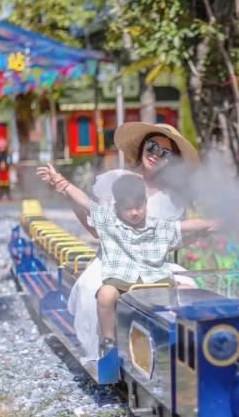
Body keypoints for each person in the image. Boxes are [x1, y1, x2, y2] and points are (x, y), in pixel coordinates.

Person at [51, 122, 200, 361]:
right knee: (96, 291)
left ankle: (178, 348)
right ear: (142, 147)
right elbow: (96, 229)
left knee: (189, 289)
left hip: (152, 262)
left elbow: (174, 241)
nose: (156, 155)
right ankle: (107, 350)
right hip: (114, 259)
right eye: (152, 146)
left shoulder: (173, 198)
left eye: (165, 152)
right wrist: (70, 197)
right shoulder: (115, 180)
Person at [36, 164, 219, 345]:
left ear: (146, 203)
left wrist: (210, 225)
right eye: (128, 208)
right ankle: (108, 339)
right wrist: (61, 181)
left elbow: (184, 226)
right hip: (122, 278)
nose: (134, 212)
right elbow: (84, 201)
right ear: (117, 207)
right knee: (106, 295)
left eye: (139, 207)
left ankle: (190, 337)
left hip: (156, 277)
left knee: (188, 292)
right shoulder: (110, 221)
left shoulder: (157, 226)